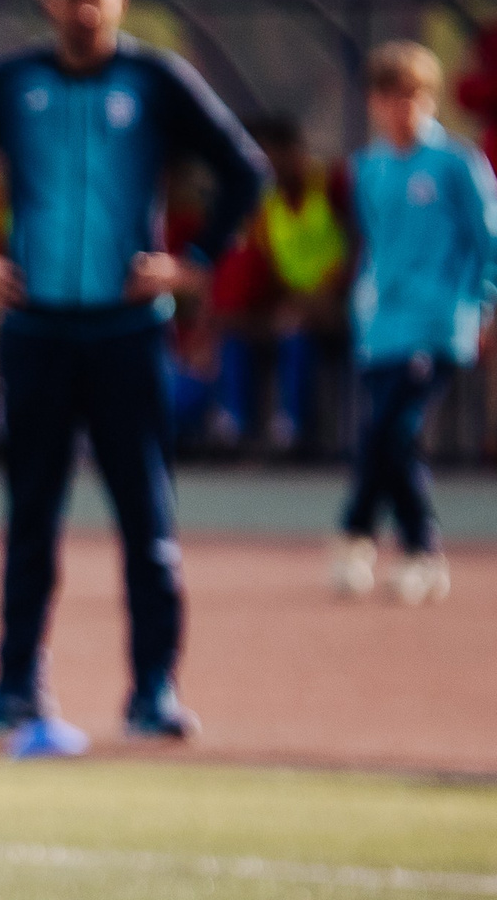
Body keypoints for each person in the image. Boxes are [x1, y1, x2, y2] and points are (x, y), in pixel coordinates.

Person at [0, 0, 267, 743]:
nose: (84, 10)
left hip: (127, 334)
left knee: (146, 519)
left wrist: (194, 262)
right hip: (38, 332)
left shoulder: (155, 80)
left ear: (120, 3)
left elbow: (244, 170)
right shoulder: (12, 83)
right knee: (31, 520)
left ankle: (154, 692)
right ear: (48, 2)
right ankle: (16, 688)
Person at [331, 41, 497, 605]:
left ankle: (383, 538)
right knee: (384, 435)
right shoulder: (367, 168)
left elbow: (488, 242)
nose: (400, 107)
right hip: (381, 326)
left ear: (429, 98)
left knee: (394, 431)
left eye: (411, 95)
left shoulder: (456, 164)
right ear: (373, 102)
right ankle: (389, 544)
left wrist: (483, 306)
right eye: (388, 95)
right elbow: (374, 245)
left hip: (438, 322)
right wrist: (362, 307)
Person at [211, 118, 347, 452]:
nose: (266, 167)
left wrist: (327, 295)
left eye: (271, 157)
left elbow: (360, 245)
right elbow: (267, 265)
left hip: (338, 303)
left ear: (294, 153)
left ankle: (295, 430)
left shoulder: (332, 185)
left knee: (295, 331)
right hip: (293, 303)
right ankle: (234, 427)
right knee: (236, 330)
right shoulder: (266, 203)